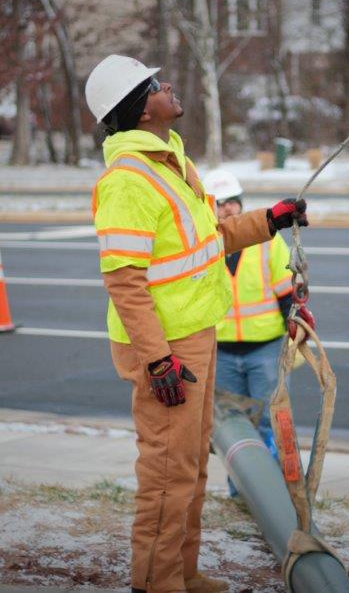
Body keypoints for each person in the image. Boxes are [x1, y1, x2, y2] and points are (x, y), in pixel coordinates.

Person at [85, 54, 309, 593]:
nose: (169, 86)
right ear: (140, 109)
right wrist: (157, 358)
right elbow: (125, 281)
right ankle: (156, 582)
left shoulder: (172, 165)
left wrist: (271, 220)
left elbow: (213, 239)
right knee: (166, 473)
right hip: (167, 349)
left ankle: (181, 572)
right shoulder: (128, 181)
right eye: (156, 85)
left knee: (190, 468)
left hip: (195, 334)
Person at [201, 169, 315, 495]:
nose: (229, 210)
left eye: (234, 202)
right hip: (221, 352)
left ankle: (282, 495)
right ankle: (243, 494)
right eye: (221, 204)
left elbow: (285, 290)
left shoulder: (265, 242)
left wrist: (294, 322)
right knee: (236, 428)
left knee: (274, 424)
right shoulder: (203, 246)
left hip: (264, 350)